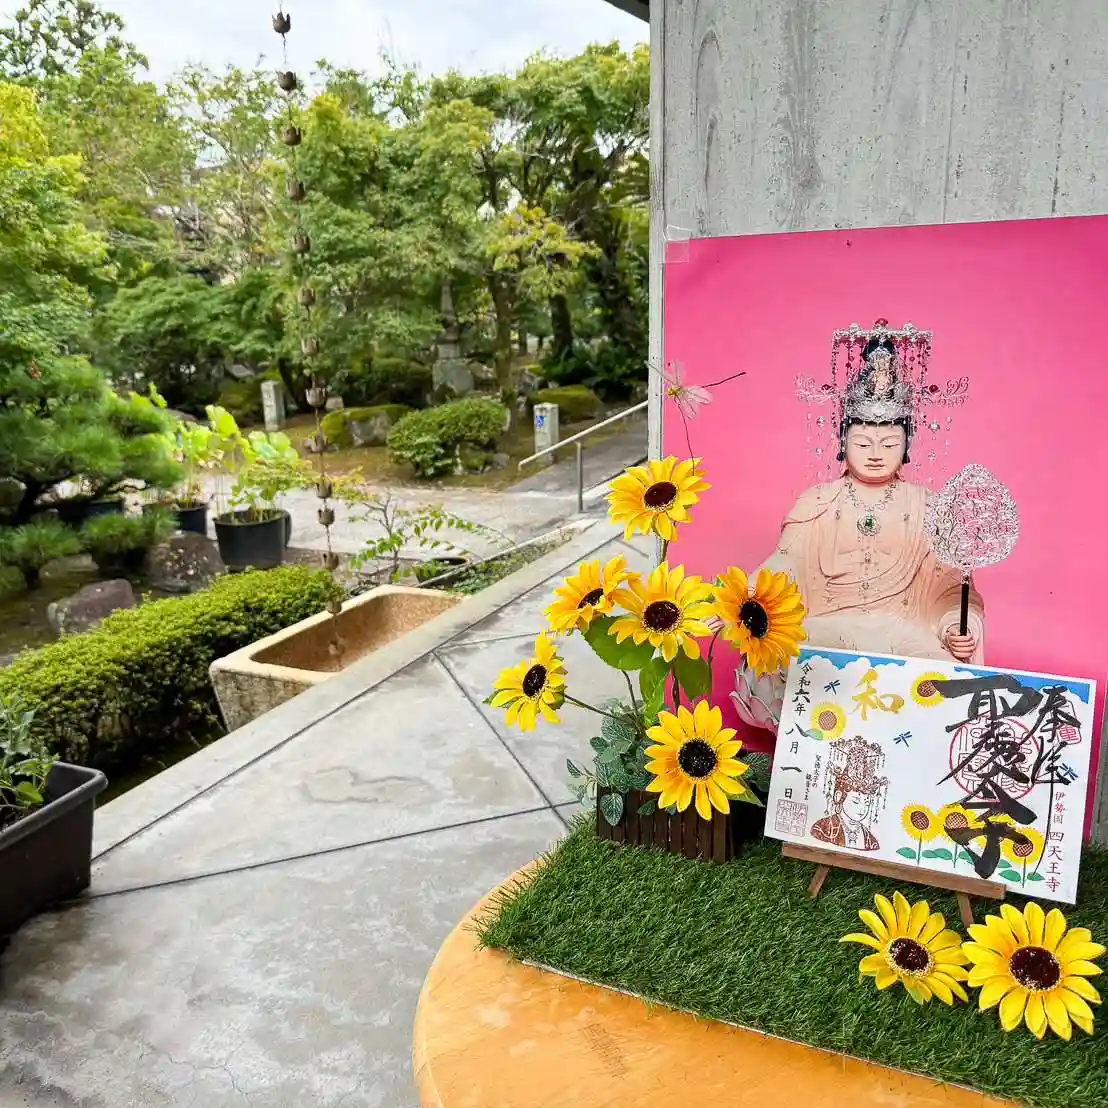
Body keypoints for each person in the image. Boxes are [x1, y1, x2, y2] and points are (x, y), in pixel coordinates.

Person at [762, 326, 984, 665]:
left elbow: (952, 589)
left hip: (904, 632)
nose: (876, 454)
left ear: (907, 446)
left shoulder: (928, 507)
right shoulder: (819, 501)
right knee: (788, 658)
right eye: (863, 443)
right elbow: (784, 564)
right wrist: (748, 599)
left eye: (890, 444)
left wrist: (955, 625)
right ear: (842, 442)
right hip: (826, 628)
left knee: (940, 674)